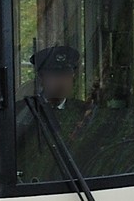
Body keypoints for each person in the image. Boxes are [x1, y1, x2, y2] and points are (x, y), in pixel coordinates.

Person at [16, 44, 96, 183]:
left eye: (66, 75)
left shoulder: (84, 112)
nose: (61, 82)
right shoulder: (23, 112)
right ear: (41, 77)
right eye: (54, 75)